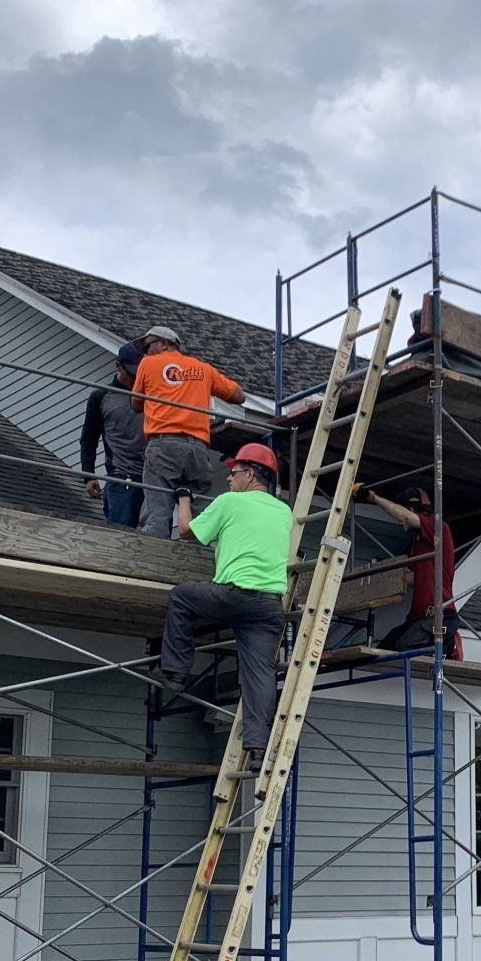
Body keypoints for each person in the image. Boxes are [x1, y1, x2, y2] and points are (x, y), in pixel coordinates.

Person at [161, 442, 291, 770]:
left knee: (181, 596)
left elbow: (186, 531)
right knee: (260, 675)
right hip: (268, 607)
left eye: (234, 473)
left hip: (233, 596)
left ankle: (175, 672)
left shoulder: (229, 502)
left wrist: (183, 499)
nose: (229, 479)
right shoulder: (284, 512)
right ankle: (258, 751)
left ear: (251, 475)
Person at [132, 325, 246, 538]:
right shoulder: (203, 369)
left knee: (158, 510)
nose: (145, 353)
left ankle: (153, 553)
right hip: (197, 450)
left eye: (147, 346)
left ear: (164, 344)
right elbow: (239, 396)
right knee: (199, 516)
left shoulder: (148, 363)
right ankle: (197, 555)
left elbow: (136, 402)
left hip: (163, 445)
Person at [355, 483, 463, 658]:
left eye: (403, 513)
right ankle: (442, 644)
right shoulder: (419, 545)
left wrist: (372, 498)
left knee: (403, 647)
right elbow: (416, 578)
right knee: (386, 649)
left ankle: (448, 644)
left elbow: (404, 516)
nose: (400, 521)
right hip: (418, 618)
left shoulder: (438, 528)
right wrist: (385, 574)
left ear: (412, 510)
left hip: (439, 616)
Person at [81, 341, 146, 528]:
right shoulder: (101, 397)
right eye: (132, 373)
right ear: (118, 366)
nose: (136, 378)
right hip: (121, 477)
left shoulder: (151, 396)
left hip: (151, 477)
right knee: (121, 532)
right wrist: (89, 475)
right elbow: (89, 439)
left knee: (156, 535)